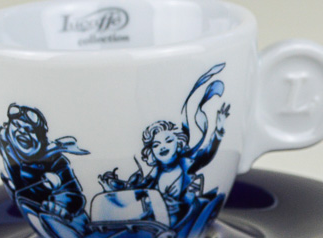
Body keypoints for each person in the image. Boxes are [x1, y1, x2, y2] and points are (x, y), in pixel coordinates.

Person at [99, 64, 231, 229]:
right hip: (155, 219)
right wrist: (112, 186)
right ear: (151, 152)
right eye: (156, 144)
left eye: (168, 140)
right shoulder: (151, 173)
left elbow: (206, 154)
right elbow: (131, 190)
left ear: (178, 143)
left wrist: (219, 131)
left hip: (180, 217)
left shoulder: (187, 164)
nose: (163, 146)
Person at [0, 64, 90, 238]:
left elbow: (73, 194)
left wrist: (60, 204)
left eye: (29, 130)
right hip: (29, 210)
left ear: (41, 137)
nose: (21, 132)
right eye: (17, 126)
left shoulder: (54, 160)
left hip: (64, 221)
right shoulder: (7, 144)